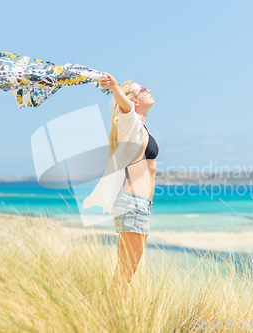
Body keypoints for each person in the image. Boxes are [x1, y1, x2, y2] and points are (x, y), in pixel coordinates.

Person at [99, 72, 159, 311]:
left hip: (139, 205)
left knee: (126, 273)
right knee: (125, 274)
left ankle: (111, 318)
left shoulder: (142, 126)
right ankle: (112, 321)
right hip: (133, 203)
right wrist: (115, 88)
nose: (148, 89)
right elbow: (124, 109)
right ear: (133, 100)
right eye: (142, 89)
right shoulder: (130, 122)